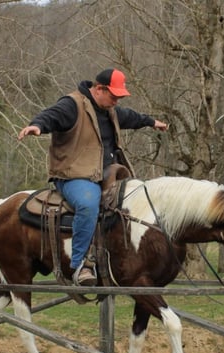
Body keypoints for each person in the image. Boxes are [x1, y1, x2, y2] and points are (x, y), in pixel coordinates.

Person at [18, 68, 169, 286]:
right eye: (114, 96)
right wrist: (37, 125)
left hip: (105, 174)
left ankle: (121, 259)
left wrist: (151, 122)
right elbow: (51, 115)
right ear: (99, 89)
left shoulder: (110, 110)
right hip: (74, 176)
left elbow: (131, 117)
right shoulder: (72, 105)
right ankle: (80, 265)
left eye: (119, 97)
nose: (116, 101)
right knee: (89, 204)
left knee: (138, 197)